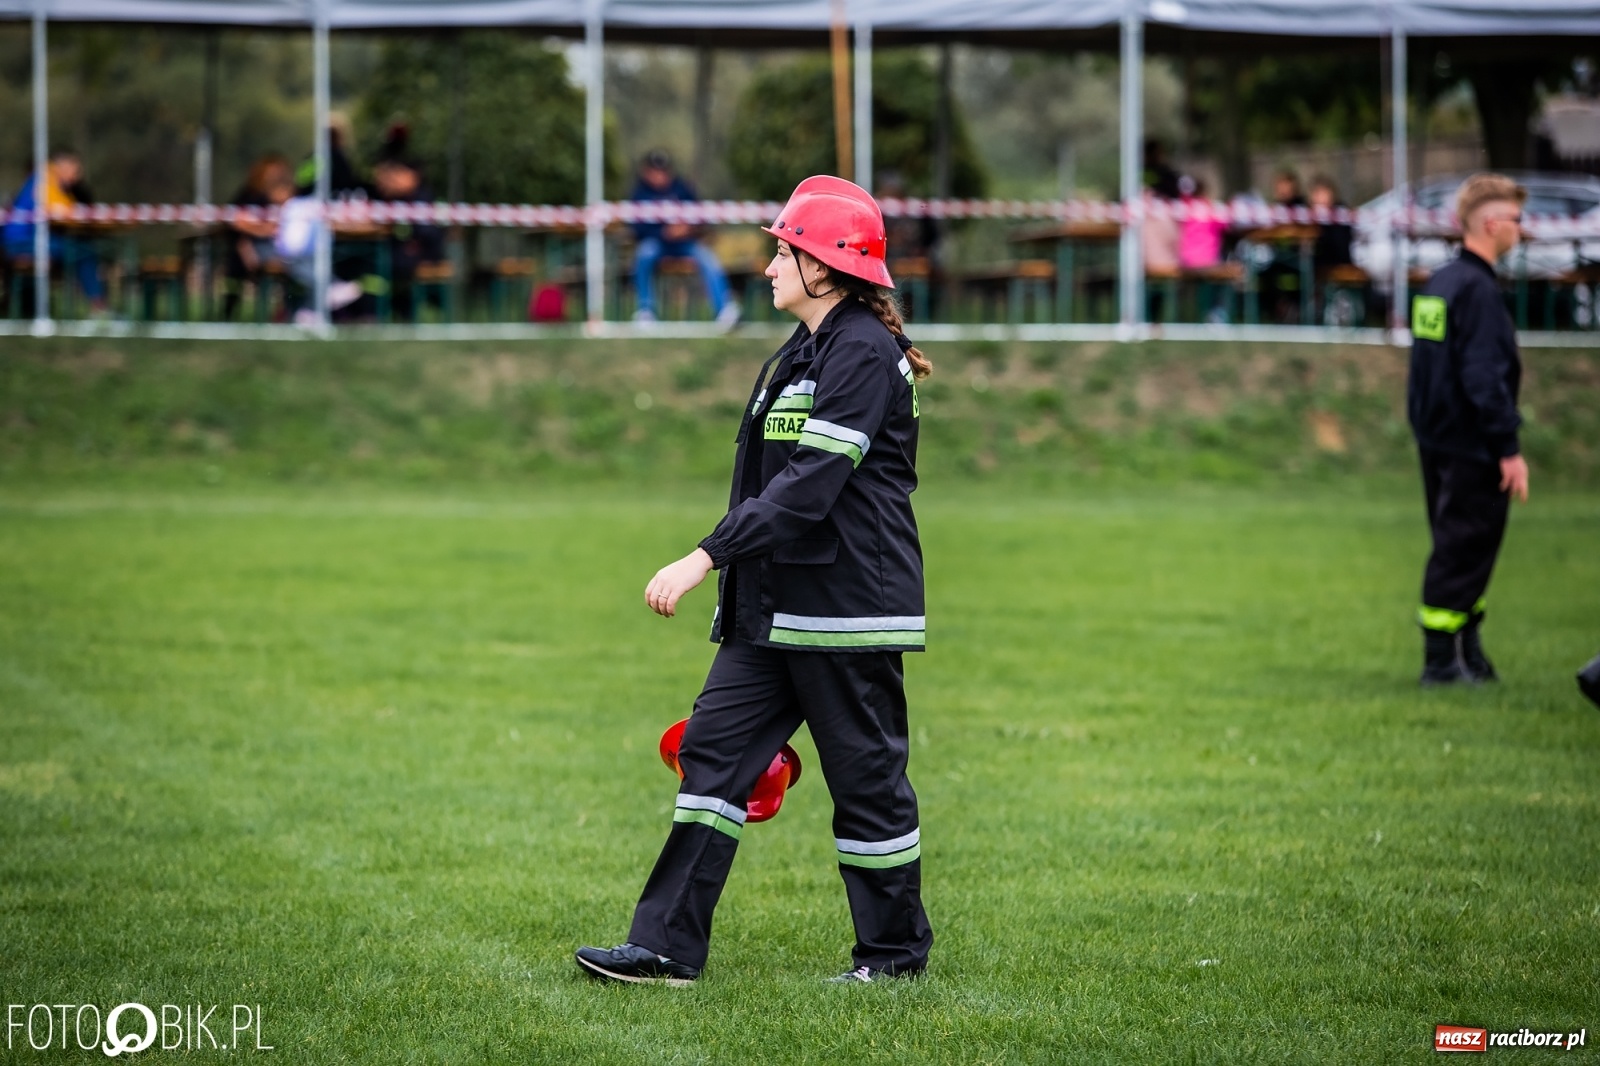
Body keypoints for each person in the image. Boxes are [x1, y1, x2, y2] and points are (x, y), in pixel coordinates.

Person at [575, 176, 933, 986]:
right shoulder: (801, 351)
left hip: (845, 613)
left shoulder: (864, 354)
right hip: (774, 611)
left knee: (866, 790)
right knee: (713, 758)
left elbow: (809, 487)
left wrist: (704, 557)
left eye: (785, 250)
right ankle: (665, 946)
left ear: (828, 266)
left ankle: (894, 958)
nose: (770, 264)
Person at [1408, 173, 1528, 685]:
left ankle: (1467, 652)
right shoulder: (1476, 291)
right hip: (1471, 444)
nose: (1523, 231)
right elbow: (1483, 377)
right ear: (1492, 223)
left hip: (1437, 439)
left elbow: (1427, 368)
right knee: (1464, 545)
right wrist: (1507, 447)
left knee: (1463, 546)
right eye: (1518, 220)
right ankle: (1441, 662)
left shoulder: (1442, 282)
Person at [628, 149, 739, 328]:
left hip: (685, 243)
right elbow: (636, 228)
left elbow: (700, 216)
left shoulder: (682, 188)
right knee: (644, 253)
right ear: (647, 172)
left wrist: (688, 228)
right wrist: (664, 233)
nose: (660, 176)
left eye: (664, 171)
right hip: (656, 244)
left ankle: (725, 310)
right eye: (656, 171)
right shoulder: (640, 194)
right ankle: (646, 310)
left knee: (707, 256)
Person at [3, 147, 109, 314]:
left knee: (81, 248)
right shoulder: (46, 180)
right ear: (62, 166)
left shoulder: (44, 179)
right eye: (75, 169)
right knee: (84, 251)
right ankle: (98, 306)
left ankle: (96, 304)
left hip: (24, 240)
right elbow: (62, 210)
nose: (78, 175)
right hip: (22, 243)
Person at [221, 154, 295, 320]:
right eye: (271, 172)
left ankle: (285, 314)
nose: (275, 176)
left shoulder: (288, 197)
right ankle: (228, 314)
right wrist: (261, 231)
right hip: (249, 248)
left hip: (277, 247)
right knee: (235, 265)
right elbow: (235, 219)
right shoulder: (249, 194)